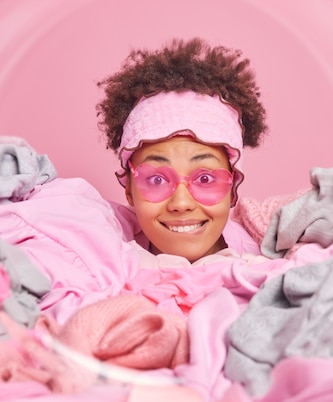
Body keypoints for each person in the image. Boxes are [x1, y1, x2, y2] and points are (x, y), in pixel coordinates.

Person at [96, 37, 268, 263]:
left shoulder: (271, 257)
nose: (181, 204)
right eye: (156, 179)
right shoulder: (104, 255)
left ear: (233, 185)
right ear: (128, 188)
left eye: (205, 178)